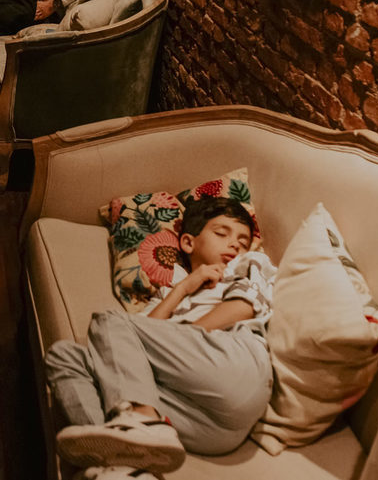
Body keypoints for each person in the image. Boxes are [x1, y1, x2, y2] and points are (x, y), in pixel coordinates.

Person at [45, 197, 276, 477]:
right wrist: (182, 288)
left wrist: (183, 336)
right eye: (221, 233)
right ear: (188, 243)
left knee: (108, 321)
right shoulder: (168, 294)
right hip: (205, 426)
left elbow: (242, 307)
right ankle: (119, 466)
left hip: (235, 369)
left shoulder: (248, 262)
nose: (234, 245)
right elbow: (129, 349)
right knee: (65, 356)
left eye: (242, 240)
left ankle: (141, 420)